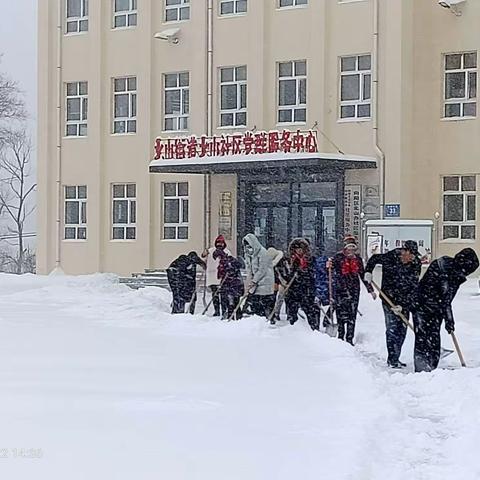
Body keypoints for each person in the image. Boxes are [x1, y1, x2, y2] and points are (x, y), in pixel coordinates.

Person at [413, 248, 479, 373]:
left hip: (436, 310)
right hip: (422, 307)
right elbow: (443, 298)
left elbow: (446, 300)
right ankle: (422, 370)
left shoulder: (455, 272)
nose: (467, 274)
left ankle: (431, 368)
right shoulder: (443, 269)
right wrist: (449, 319)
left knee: (434, 338)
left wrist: (448, 319)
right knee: (423, 338)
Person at [364, 240, 421, 368]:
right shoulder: (390, 257)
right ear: (404, 251)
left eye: (414, 256)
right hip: (388, 298)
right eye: (410, 255)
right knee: (392, 329)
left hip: (404, 301)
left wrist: (404, 305)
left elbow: (413, 287)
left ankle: (396, 357)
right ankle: (392, 359)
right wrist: (368, 272)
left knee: (402, 330)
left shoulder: (415, 264)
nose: (412, 258)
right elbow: (373, 259)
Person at [332, 236, 376, 345]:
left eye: (353, 248)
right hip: (340, 289)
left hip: (354, 289)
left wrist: (370, 290)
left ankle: (350, 338)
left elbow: (362, 274)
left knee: (352, 314)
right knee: (341, 314)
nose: (351, 250)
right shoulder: (338, 258)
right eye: (349, 248)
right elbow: (332, 271)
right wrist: (329, 266)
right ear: (345, 248)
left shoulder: (358, 259)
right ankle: (341, 336)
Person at [285, 238, 320, 331]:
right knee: (292, 310)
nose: (299, 250)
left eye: (301, 248)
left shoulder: (310, 259)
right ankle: (293, 329)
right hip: (293, 289)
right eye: (297, 249)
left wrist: (303, 272)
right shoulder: (290, 260)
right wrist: (292, 274)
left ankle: (313, 329)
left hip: (306, 289)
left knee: (309, 310)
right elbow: (287, 275)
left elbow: (312, 273)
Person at [243, 234, 275, 318]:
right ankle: (256, 318)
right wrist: (250, 281)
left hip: (265, 282)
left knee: (263, 303)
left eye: (249, 246)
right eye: (246, 246)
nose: (248, 248)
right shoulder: (248, 255)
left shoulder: (262, 252)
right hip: (255, 284)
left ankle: (266, 319)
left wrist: (255, 280)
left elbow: (262, 269)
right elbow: (249, 269)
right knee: (254, 303)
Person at [202, 235, 231, 316]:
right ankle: (217, 311)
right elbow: (203, 257)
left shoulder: (227, 252)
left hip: (223, 276)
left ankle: (224, 310)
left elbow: (230, 262)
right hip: (212, 276)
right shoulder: (211, 251)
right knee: (215, 295)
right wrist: (204, 254)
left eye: (221, 243)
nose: (219, 244)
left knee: (223, 295)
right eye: (218, 243)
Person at [214, 250, 245, 320]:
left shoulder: (228, 261)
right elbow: (219, 275)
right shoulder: (225, 262)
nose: (218, 259)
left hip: (233, 285)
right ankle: (236, 317)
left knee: (232, 302)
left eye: (218, 257)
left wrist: (230, 272)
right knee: (233, 302)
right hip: (232, 285)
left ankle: (233, 318)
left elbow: (237, 267)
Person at [267, 247, 286, 324]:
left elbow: (283, 273)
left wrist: (282, 281)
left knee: (280, 297)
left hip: (282, 281)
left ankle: (275, 313)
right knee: (275, 298)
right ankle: (274, 314)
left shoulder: (282, 262)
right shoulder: (271, 264)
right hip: (275, 281)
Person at [314, 251, 331, 327]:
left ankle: (317, 324)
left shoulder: (315, 262)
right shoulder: (315, 262)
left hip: (322, 286)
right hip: (323, 285)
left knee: (316, 305)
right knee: (317, 305)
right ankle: (323, 321)